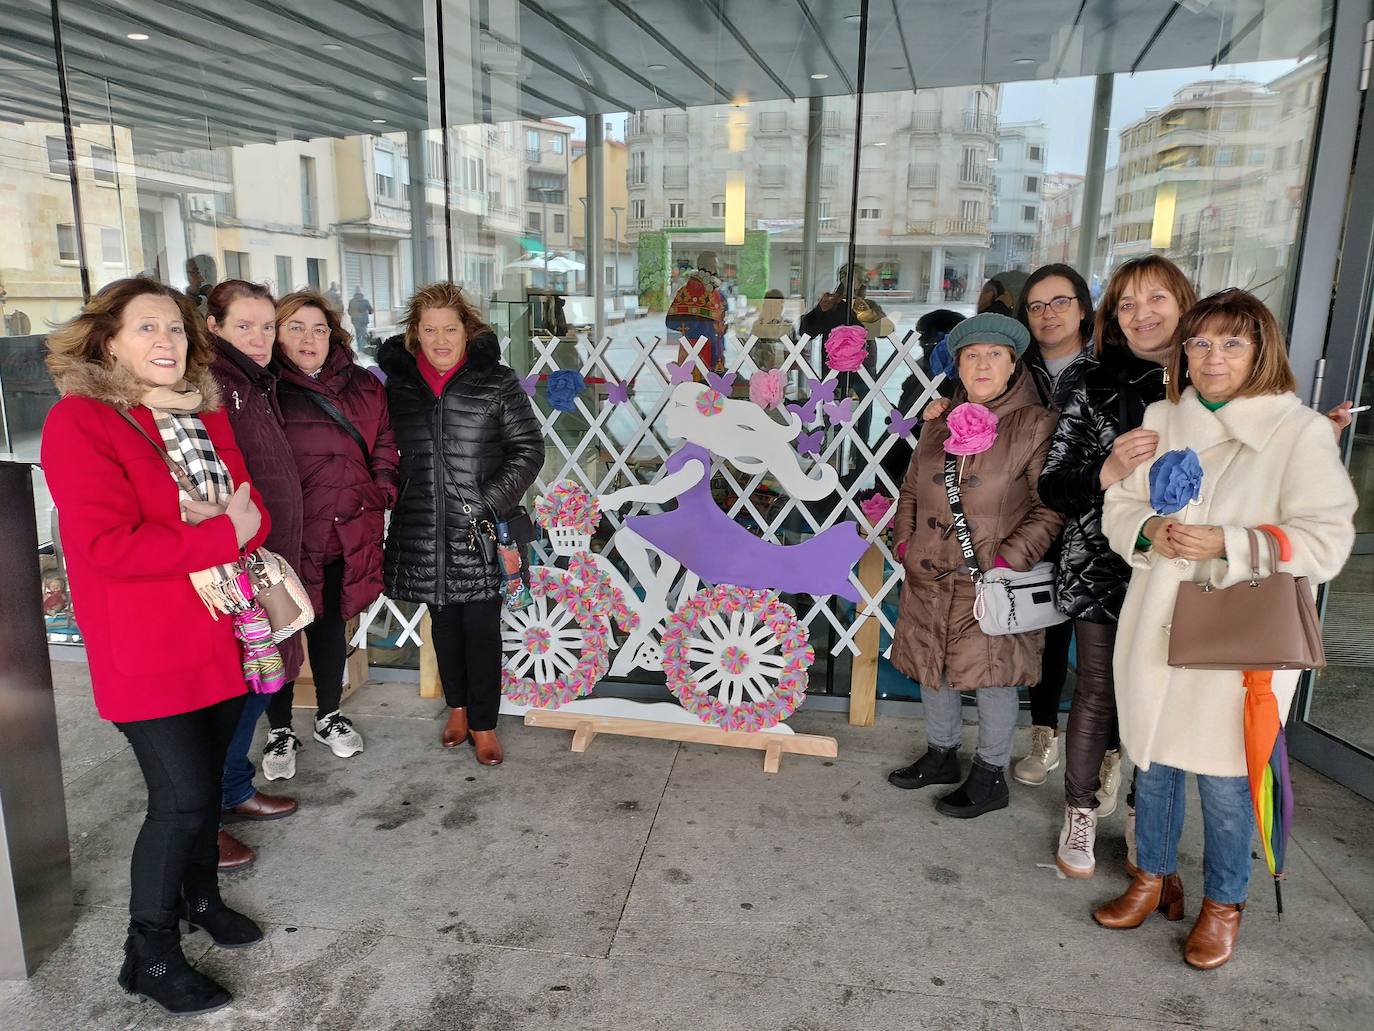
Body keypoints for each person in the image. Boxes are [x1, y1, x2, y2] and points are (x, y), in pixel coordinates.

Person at [1096, 289, 1356, 969]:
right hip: (1156, 619)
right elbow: (1119, 507)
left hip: (1241, 634)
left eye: (1231, 343)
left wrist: (1229, 541)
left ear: (1260, 350)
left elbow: (1327, 541)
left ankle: (1224, 903)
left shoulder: (1296, 431)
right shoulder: (1161, 415)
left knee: (1226, 777)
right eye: (1200, 343)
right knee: (1151, 763)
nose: (1213, 357)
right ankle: (1153, 878)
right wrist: (1150, 528)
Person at [41, 277, 270, 1014]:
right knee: (182, 798)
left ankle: (200, 897)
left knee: (206, 793)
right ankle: (150, 951)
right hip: (146, 649)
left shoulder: (203, 414)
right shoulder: (81, 422)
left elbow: (251, 515)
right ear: (109, 340)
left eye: (174, 327)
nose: (165, 341)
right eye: (146, 328)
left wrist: (226, 528)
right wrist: (215, 532)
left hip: (219, 635)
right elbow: (106, 547)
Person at [1037, 255, 1197, 878]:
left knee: (1160, 699)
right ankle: (1078, 811)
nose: (1141, 315)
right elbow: (1054, 484)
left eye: (1156, 300)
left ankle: (1141, 816)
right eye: (1126, 305)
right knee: (1098, 691)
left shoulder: (1214, 379)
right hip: (1103, 563)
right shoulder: (1092, 379)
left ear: (1184, 303)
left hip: (1182, 566)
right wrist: (1106, 472)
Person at [887, 313, 1064, 818]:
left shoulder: (1035, 423)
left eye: (993, 355)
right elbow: (909, 492)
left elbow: (1048, 505)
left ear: (1012, 365)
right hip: (928, 572)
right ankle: (942, 754)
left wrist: (1011, 558)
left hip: (991, 578)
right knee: (931, 666)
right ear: (958, 366)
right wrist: (904, 543)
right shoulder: (939, 422)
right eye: (970, 355)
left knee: (992, 676)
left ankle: (991, 775)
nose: (981, 364)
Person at [378, 283, 542, 766]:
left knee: (482, 628)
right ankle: (458, 709)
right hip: (423, 528)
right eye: (430, 330)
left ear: (467, 332)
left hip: (480, 530)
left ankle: (485, 724)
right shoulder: (400, 387)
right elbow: (384, 450)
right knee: (443, 624)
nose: (441, 340)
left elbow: (529, 450)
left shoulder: (495, 381)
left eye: (450, 329)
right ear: (415, 334)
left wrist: (484, 502)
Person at [268, 290, 399, 763]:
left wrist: (380, 490)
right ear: (277, 333)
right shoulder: (263, 389)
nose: (309, 339)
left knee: (329, 626)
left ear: (334, 335)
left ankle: (327, 715)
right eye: (296, 328)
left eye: (319, 329)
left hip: (347, 527)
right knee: (277, 633)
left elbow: (385, 442)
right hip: (286, 536)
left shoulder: (364, 386)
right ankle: (279, 728)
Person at [205, 280, 304, 869]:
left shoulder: (254, 380)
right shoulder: (213, 385)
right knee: (232, 688)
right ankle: (206, 814)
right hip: (235, 561)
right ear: (213, 328)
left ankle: (234, 789)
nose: (261, 338)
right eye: (245, 325)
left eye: (268, 326)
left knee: (256, 678)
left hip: (267, 555)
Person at [1008, 263, 1099, 789]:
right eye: (1036, 306)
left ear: (1082, 307)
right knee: (1045, 629)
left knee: (1096, 643)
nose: (1048, 314)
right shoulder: (1018, 369)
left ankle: (1106, 758)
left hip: (1094, 516)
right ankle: (1044, 735)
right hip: (1032, 513)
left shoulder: (1108, 368)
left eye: (1059, 302)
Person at [665, 251, 728, 375]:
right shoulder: (690, 292)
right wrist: (695, 327)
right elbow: (671, 321)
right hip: (699, 349)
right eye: (713, 265)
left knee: (695, 389)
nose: (716, 269)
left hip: (706, 349)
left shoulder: (715, 293)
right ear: (704, 267)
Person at [748, 288, 795, 372]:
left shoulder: (788, 326)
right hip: (761, 373)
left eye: (780, 305)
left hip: (783, 374)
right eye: (773, 306)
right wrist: (764, 355)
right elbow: (751, 350)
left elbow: (795, 351)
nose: (778, 309)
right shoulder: (758, 326)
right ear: (766, 306)